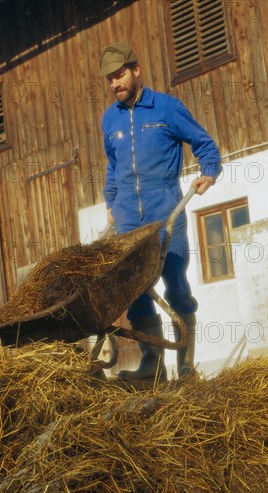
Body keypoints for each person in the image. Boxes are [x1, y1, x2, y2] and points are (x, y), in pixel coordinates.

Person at [99, 42, 222, 382]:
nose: (115, 84)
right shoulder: (110, 119)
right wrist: (110, 202)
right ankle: (152, 368)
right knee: (135, 292)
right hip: (128, 220)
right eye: (110, 79)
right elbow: (113, 166)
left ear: (136, 70)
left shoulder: (167, 108)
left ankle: (184, 367)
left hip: (166, 213)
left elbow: (204, 143)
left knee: (175, 286)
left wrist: (209, 171)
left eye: (119, 75)